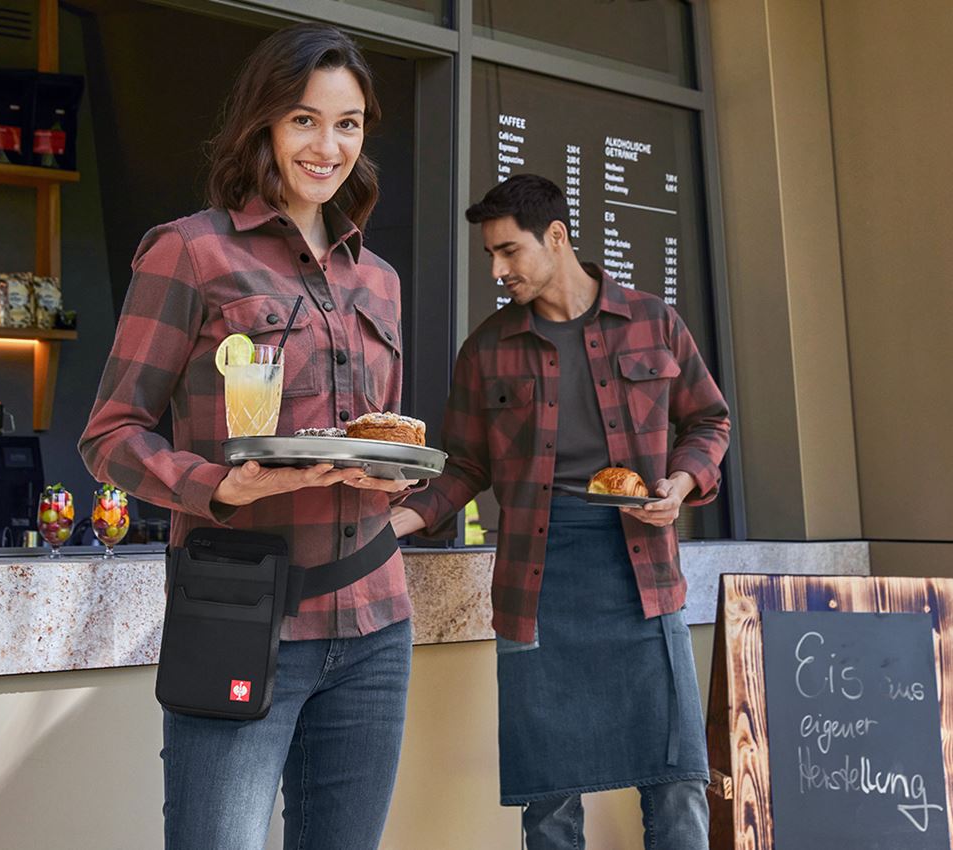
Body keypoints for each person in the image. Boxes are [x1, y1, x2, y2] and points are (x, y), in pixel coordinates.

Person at [80, 23, 419, 850]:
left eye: (348, 124)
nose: (327, 145)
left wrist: (392, 474)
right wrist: (216, 486)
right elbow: (110, 434)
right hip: (239, 613)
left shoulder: (377, 278)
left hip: (376, 622)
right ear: (264, 122)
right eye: (304, 119)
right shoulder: (191, 253)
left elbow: (377, 430)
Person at [392, 174, 730, 850]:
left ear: (556, 237)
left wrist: (683, 485)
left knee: (678, 783)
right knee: (547, 800)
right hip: (535, 580)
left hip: (643, 573)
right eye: (491, 254)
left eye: (509, 251)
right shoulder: (487, 349)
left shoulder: (654, 322)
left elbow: (710, 421)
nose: (497, 269)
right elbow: (465, 464)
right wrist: (401, 519)